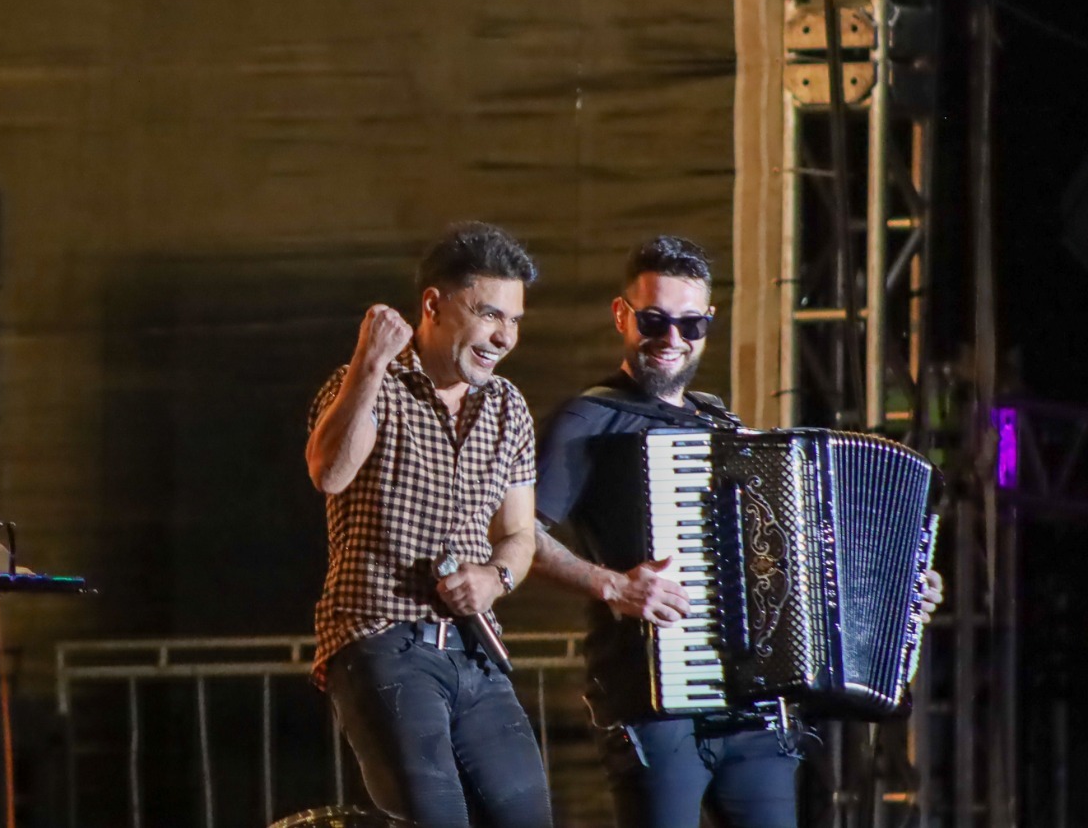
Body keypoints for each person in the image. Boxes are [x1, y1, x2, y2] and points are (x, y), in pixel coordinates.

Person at [528, 235, 943, 828]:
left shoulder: (722, 424)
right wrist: (613, 585)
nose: (672, 338)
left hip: (753, 712)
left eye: (690, 324)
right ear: (622, 315)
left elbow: (794, 559)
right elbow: (515, 537)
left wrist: (897, 589)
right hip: (653, 706)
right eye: (654, 320)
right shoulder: (588, 419)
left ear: (708, 322)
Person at [305, 221, 555, 828]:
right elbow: (329, 473)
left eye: (514, 320)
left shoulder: (508, 407)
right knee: (434, 816)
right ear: (433, 306)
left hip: (474, 650)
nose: (504, 336)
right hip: (382, 638)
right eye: (489, 314)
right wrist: (369, 363)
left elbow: (519, 536)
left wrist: (496, 577)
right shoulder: (367, 384)